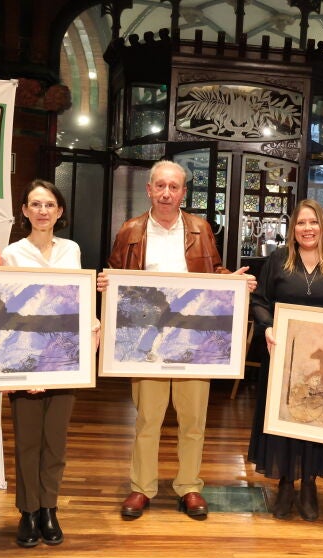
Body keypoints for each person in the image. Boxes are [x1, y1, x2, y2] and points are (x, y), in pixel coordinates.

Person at [96, 160, 255, 520]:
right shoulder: (131, 230)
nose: (166, 193)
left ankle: (189, 486)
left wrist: (233, 280)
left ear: (183, 192)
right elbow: (116, 276)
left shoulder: (200, 228)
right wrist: (106, 282)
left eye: (174, 187)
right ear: (149, 189)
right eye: (160, 186)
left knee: (193, 418)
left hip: (193, 340)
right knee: (147, 419)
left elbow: (213, 272)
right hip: (146, 341)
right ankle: (141, 487)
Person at [248, 199, 323, 521]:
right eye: (301, 223)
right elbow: (260, 301)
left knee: (316, 414)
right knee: (283, 414)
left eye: (313, 222)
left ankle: (309, 483)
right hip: (282, 354)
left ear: (322, 226)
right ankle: (285, 481)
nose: (307, 228)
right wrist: (268, 327)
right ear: (293, 228)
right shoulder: (278, 260)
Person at [1, 180, 94, 548]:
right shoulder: (11, 254)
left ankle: (49, 508)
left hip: (64, 357)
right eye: (35, 204)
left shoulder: (72, 250)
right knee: (27, 441)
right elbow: (6, 310)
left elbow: (79, 301)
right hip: (24, 356)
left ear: (60, 211)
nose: (42, 211)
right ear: (25, 210)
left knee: (55, 441)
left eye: (49, 205)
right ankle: (28, 511)